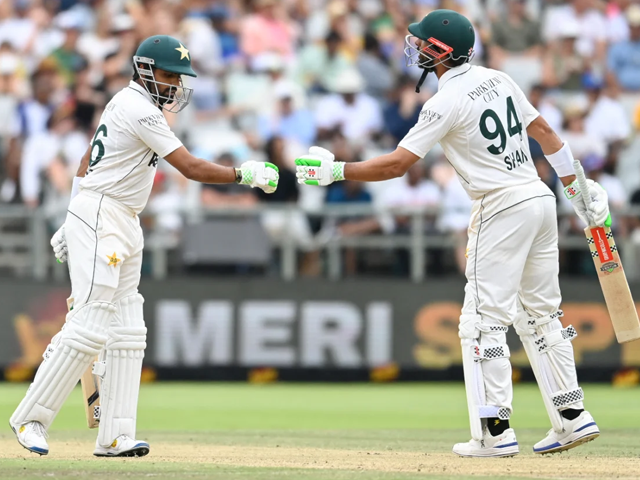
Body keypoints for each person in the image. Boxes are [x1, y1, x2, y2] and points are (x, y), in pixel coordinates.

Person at [295, 9, 608, 458]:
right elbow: (545, 132)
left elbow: (398, 164)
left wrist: (335, 171)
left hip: (501, 205)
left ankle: (493, 432)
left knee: (482, 321)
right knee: (541, 315)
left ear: (440, 52)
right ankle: (572, 416)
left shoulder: (444, 101)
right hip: (539, 199)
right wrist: (576, 189)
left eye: (423, 43)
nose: (416, 48)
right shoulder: (499, 79)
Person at [9, 35, 279, 458]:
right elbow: (190, 168)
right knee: (90, 322)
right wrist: (244, 175)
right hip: (103, 213)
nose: (175, 85)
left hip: (121, 217)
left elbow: (86, 162)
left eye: (179, 77)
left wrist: (71, 214)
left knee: (128, 328)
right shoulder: (137, 107)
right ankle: (31, 418)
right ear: (145, 69)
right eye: (169, 75)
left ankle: (114, 435)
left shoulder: (131, 106)